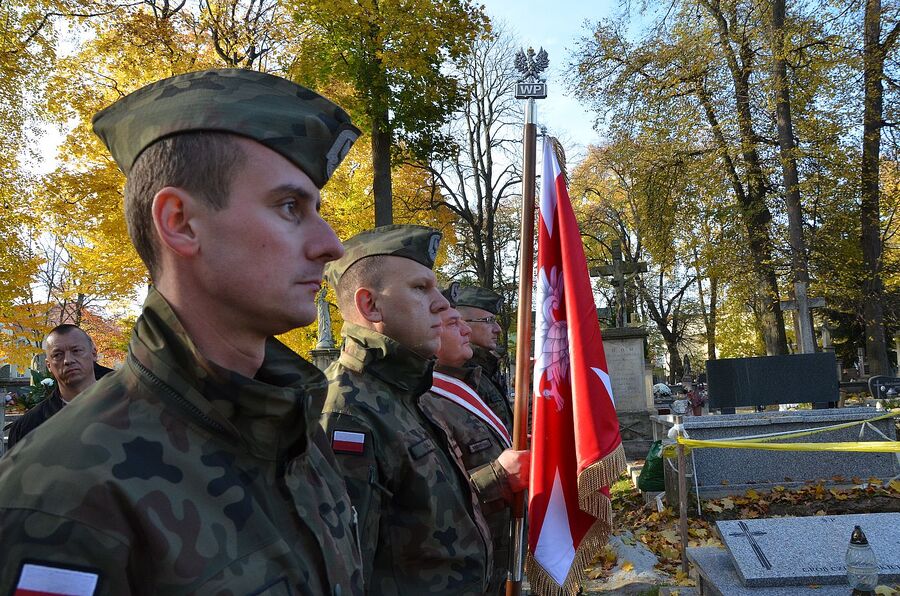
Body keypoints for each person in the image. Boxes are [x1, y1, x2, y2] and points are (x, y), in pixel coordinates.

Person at [0, 69, 363, 595]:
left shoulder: (295, 432)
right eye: (290, 207)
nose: (331, 245)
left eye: (318, 211)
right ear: (180, 222)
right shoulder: (64, 491)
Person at [321, 225, 493, 595]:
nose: (443, 304)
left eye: (435, 287)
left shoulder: (410, 393)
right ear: (370, 305)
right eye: (419, 288)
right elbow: (349, 573)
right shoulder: (347, 412)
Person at [420, 286, 530, 594]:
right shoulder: (426, 394)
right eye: (453, 323)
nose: (465, 330)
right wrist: (499, 474)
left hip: (493, 547)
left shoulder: (472, 379)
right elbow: (428, 500)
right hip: (456, 566)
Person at [6, 325, 113, 449]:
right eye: (57, 355)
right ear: (49, 365)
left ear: (94, 353)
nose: (68, 360)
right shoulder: (28, 427)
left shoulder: (131, 408)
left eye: (76, 351)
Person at [456, 286, 514, 430]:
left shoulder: (484, 370)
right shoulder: (461, 374)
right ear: (462, 323)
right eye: (489, 320)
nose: (498, 329)